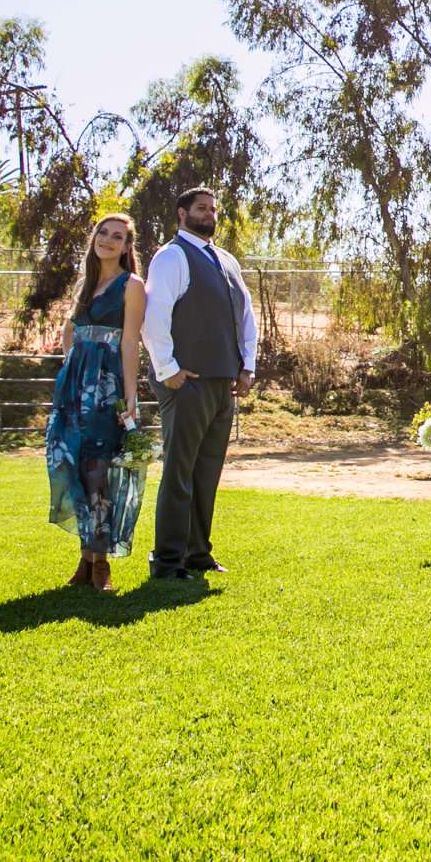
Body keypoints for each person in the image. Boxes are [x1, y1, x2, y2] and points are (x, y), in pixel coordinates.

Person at [142, 187, 258, 582]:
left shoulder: (226, 260)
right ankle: (168, 559)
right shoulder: (172, 256)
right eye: (200, 208)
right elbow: (154, 314)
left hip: (223, 381)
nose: (208, 214)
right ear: (182, 213)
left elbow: (246, 317)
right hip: (186, 382)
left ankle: (197, 554)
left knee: (206, 472)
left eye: (212, 209)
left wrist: (248, 366)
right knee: (179, 471)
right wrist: (167, 368)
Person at [45, 212, 147, 591]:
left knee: (98, 469)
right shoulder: (85, 282)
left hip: (106, 388)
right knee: (68, 461)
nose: (107, 240)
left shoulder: (131, 285)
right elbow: (69, 331)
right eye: (103, 233)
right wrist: (72, 366)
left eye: (117, 236)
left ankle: (100, 564)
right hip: (73, 387)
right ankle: (85, 561)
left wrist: (130, 397)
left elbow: (130, 341)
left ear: (126, 245)